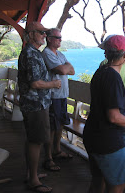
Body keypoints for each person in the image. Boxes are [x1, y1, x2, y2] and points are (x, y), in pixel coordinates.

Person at [83, 35, 125, 193]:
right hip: (107, 142)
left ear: (106, 53)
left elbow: (104, 107)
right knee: (118, 184)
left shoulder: (101, 72)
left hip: (93, 135)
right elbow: (113, 117)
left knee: (98, 181)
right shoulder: (113, 78)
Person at [18, 21, 61, 193]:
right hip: (35, 104)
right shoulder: (32, 54)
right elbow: (35, 83)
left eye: (45, 33)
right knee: (35, 141)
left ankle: (31, 173)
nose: (45, 35)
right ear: (31, 34)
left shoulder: (32, 52)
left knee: (32, 140)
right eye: (42, 33)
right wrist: (54, 83)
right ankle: (34, 180)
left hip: (35, 104)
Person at [41, 28, 75, 171]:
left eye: (61, 38)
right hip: (53, 96)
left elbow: (72, 70)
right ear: (49, 38)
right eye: (57, 37)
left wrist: (64, 67)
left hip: (62, 95)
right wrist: (64, 68)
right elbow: (62, 71)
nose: (60, 40)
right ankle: (48, 158)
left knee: (59, 124)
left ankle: (57, 150)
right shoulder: (47, 54)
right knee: (51, 127)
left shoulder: (59, 54)